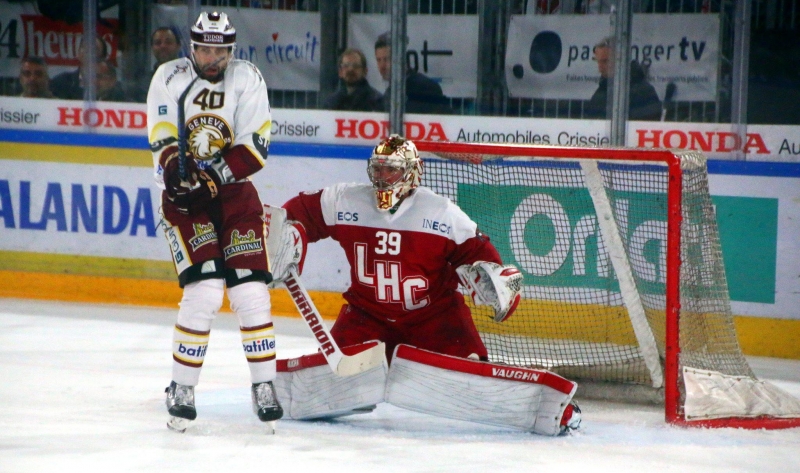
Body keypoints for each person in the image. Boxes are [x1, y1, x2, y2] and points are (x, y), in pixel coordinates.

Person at [268, 135, 581, 435]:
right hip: (367, 317)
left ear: (412, 173)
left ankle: (559, 410)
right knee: (328, 382)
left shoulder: (440, 212)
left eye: (392, 169)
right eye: (378, 168)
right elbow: (299, 212)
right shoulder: (344, 199)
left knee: (471, 381)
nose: (383, 176)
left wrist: (493, 281)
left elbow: (478, 253)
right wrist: (289, 232)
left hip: (434, 319)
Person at [146, 11, 282, 433]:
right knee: (205, 289)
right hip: (185, 200)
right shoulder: (169, 77)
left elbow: (255, 145)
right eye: (205, 48)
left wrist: (213, 175)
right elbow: (164, 135)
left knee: (251, 290)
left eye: (220, 51)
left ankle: (264, 386)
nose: (212, 57)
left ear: (231, 51)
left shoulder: (247, 78)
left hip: (235, 195)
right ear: (193, 47)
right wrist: (178, 174)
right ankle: (182, 388)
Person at [585, 36, 662, 121]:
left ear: (621, 59)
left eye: (605, 61)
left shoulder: (643, 92)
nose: (600, 68)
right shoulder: (602, 91)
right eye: (598, 61)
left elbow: (647, 127)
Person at [374, 33, 453, 114]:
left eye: (387, 59)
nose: (382, 66)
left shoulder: (425, 87)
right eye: (378, 60)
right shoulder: (388, 94)